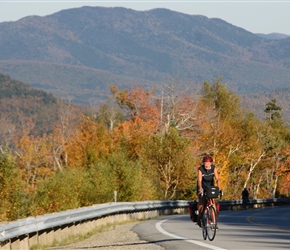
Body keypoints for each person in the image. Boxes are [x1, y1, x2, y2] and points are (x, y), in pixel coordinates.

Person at [196, 155, 221, 227]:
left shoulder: (213, 168)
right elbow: (199, 180)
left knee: (212, 202)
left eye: (208, 163)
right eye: (205, 163)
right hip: (202, 186)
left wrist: (219, 188)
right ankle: (200, 217)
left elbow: (217, 179)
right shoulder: (201, 169)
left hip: (211, 187)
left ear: (211, 163)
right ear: (203, 163)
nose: (206, 165)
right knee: (202, 202)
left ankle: (214, 221)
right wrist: (200, 188)